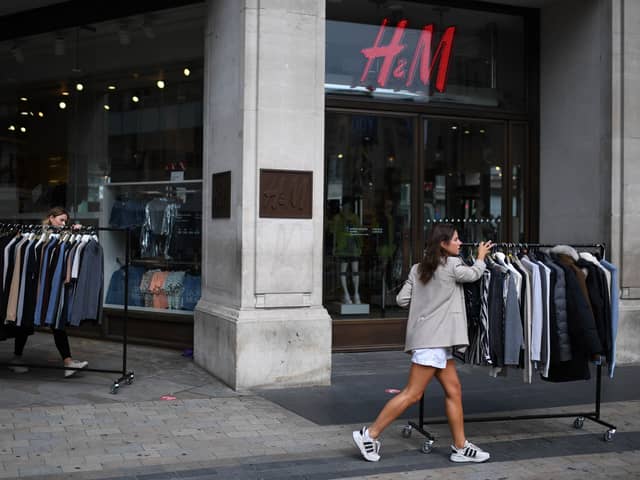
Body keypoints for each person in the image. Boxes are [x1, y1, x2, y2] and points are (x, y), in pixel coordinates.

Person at [352, 224, 493, 463]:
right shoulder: (452, 265)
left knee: (454, 390)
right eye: (456, 239)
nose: (460, 243)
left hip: (432, 341)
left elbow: (401, 300)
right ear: (443, 243)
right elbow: (474, 275)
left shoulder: (418, 268)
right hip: (433, 342)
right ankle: (370, 434)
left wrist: (425, 304)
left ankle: (460, 447)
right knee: (412, 394)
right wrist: (480, 257)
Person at [8, 206, 88, 378]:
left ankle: (68, 361)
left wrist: (74, 231)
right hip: (33, 284)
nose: (64, 223)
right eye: (61, 220)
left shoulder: (62, 235)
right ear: (51, 218)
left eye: (66, 221)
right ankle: (17, 359)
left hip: (50, 285)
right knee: (26, 320)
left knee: (56, 323)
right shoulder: (36, 235)